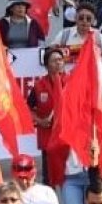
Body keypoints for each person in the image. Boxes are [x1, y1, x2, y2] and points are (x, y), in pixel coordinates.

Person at [28, 47, 68, 185]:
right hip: (48, 137)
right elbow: (27, 109)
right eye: (54, 61)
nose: (58, 63)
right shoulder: (39, 86)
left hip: (68, 137)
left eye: (60, 60)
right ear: (46, 65)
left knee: (69, 176)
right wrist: (39, 120)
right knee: (48, 178)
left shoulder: (71, 82)